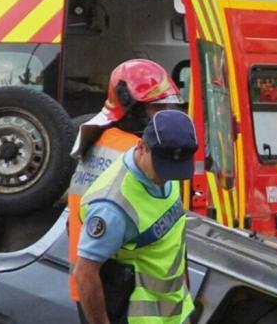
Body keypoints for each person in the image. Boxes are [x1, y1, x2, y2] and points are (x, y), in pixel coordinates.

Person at [68, 59, 183, 320]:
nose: (165, 114)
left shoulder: (93, 138)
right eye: (157, 107)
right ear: (133, 109)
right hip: (120, 289)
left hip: (91, 286)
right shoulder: (139, 154)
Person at [74, 110, 198, 324]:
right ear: (141, 147)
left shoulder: (163, 170)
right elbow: (85, 274)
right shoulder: (112, 207)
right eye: (163, 167)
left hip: (174, 312)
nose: (168, 176)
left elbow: (174, 238)